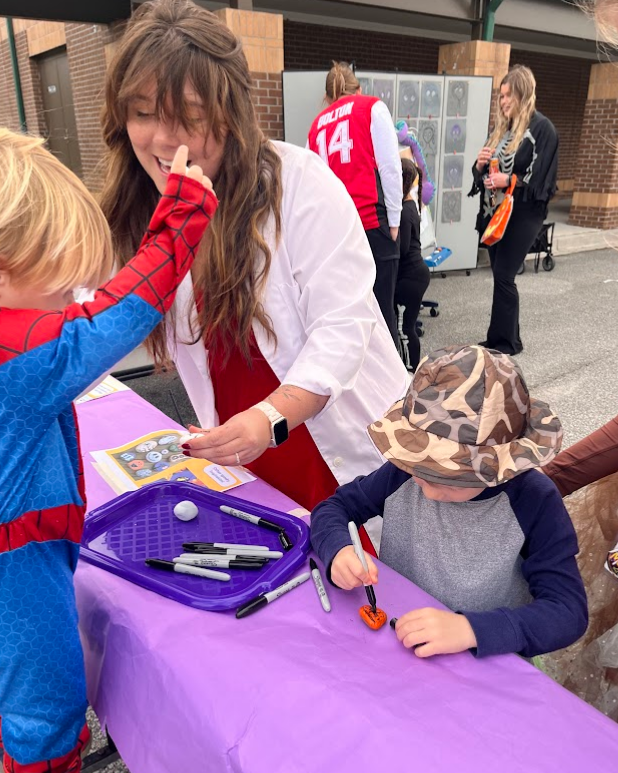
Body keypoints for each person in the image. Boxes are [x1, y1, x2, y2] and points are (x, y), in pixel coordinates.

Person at [99, 0, 409, 524]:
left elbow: (342, 326)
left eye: (189, 118)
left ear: (230, 114)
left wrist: (270, 418)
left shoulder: (299, 182)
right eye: (143, 113)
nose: (162, 140)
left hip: (332, 438)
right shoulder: (138, 210)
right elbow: (91, 316)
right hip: (246, 455)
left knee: (375, 581)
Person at [0, 132, 215, 773]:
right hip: (19, 572)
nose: (69, 300)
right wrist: (179, 220)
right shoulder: (17, 357)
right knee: (47, 703)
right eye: (57, 284)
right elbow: (105, 320)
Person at [311, 345, 588, 659]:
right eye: (420, 464)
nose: (425, 483)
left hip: (481, 659)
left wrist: (470, 629)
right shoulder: (404, 473)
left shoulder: (534, 501)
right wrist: (337, 549)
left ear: (498, 468)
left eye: (450, 475)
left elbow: (567, 612)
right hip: (396, 638)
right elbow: (335, 508)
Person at [307, 61, 403, 344]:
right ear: (358, 89)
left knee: (350, 319)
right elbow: (390, 167)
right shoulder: (371, 107)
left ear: (326, 98)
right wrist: (395, 222)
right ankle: (396, 386)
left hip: (337, 235)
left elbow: (313, 186)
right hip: (372, 223)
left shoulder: (315, 127)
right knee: (384, 317)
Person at [470, 65, 558, 356]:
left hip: (523, 212)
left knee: (506, 275)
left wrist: (509, 179)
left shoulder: (542, 129)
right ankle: (502, 338)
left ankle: (506, 343)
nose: (504, 101)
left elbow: (542, 179)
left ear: (523, 94)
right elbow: (481, 178)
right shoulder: (502, 130)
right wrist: (481, 166)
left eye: (509, 95)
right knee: (500, 275)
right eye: (501, 96)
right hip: (495, 212)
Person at [395, 158, 430, 372]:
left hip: (411, 277)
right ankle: (411, 368)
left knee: (404, 328)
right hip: (415, 275)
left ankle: (412, 371)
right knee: (406, 326)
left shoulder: (405, 211)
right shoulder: (409, 206)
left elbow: (402, 249)